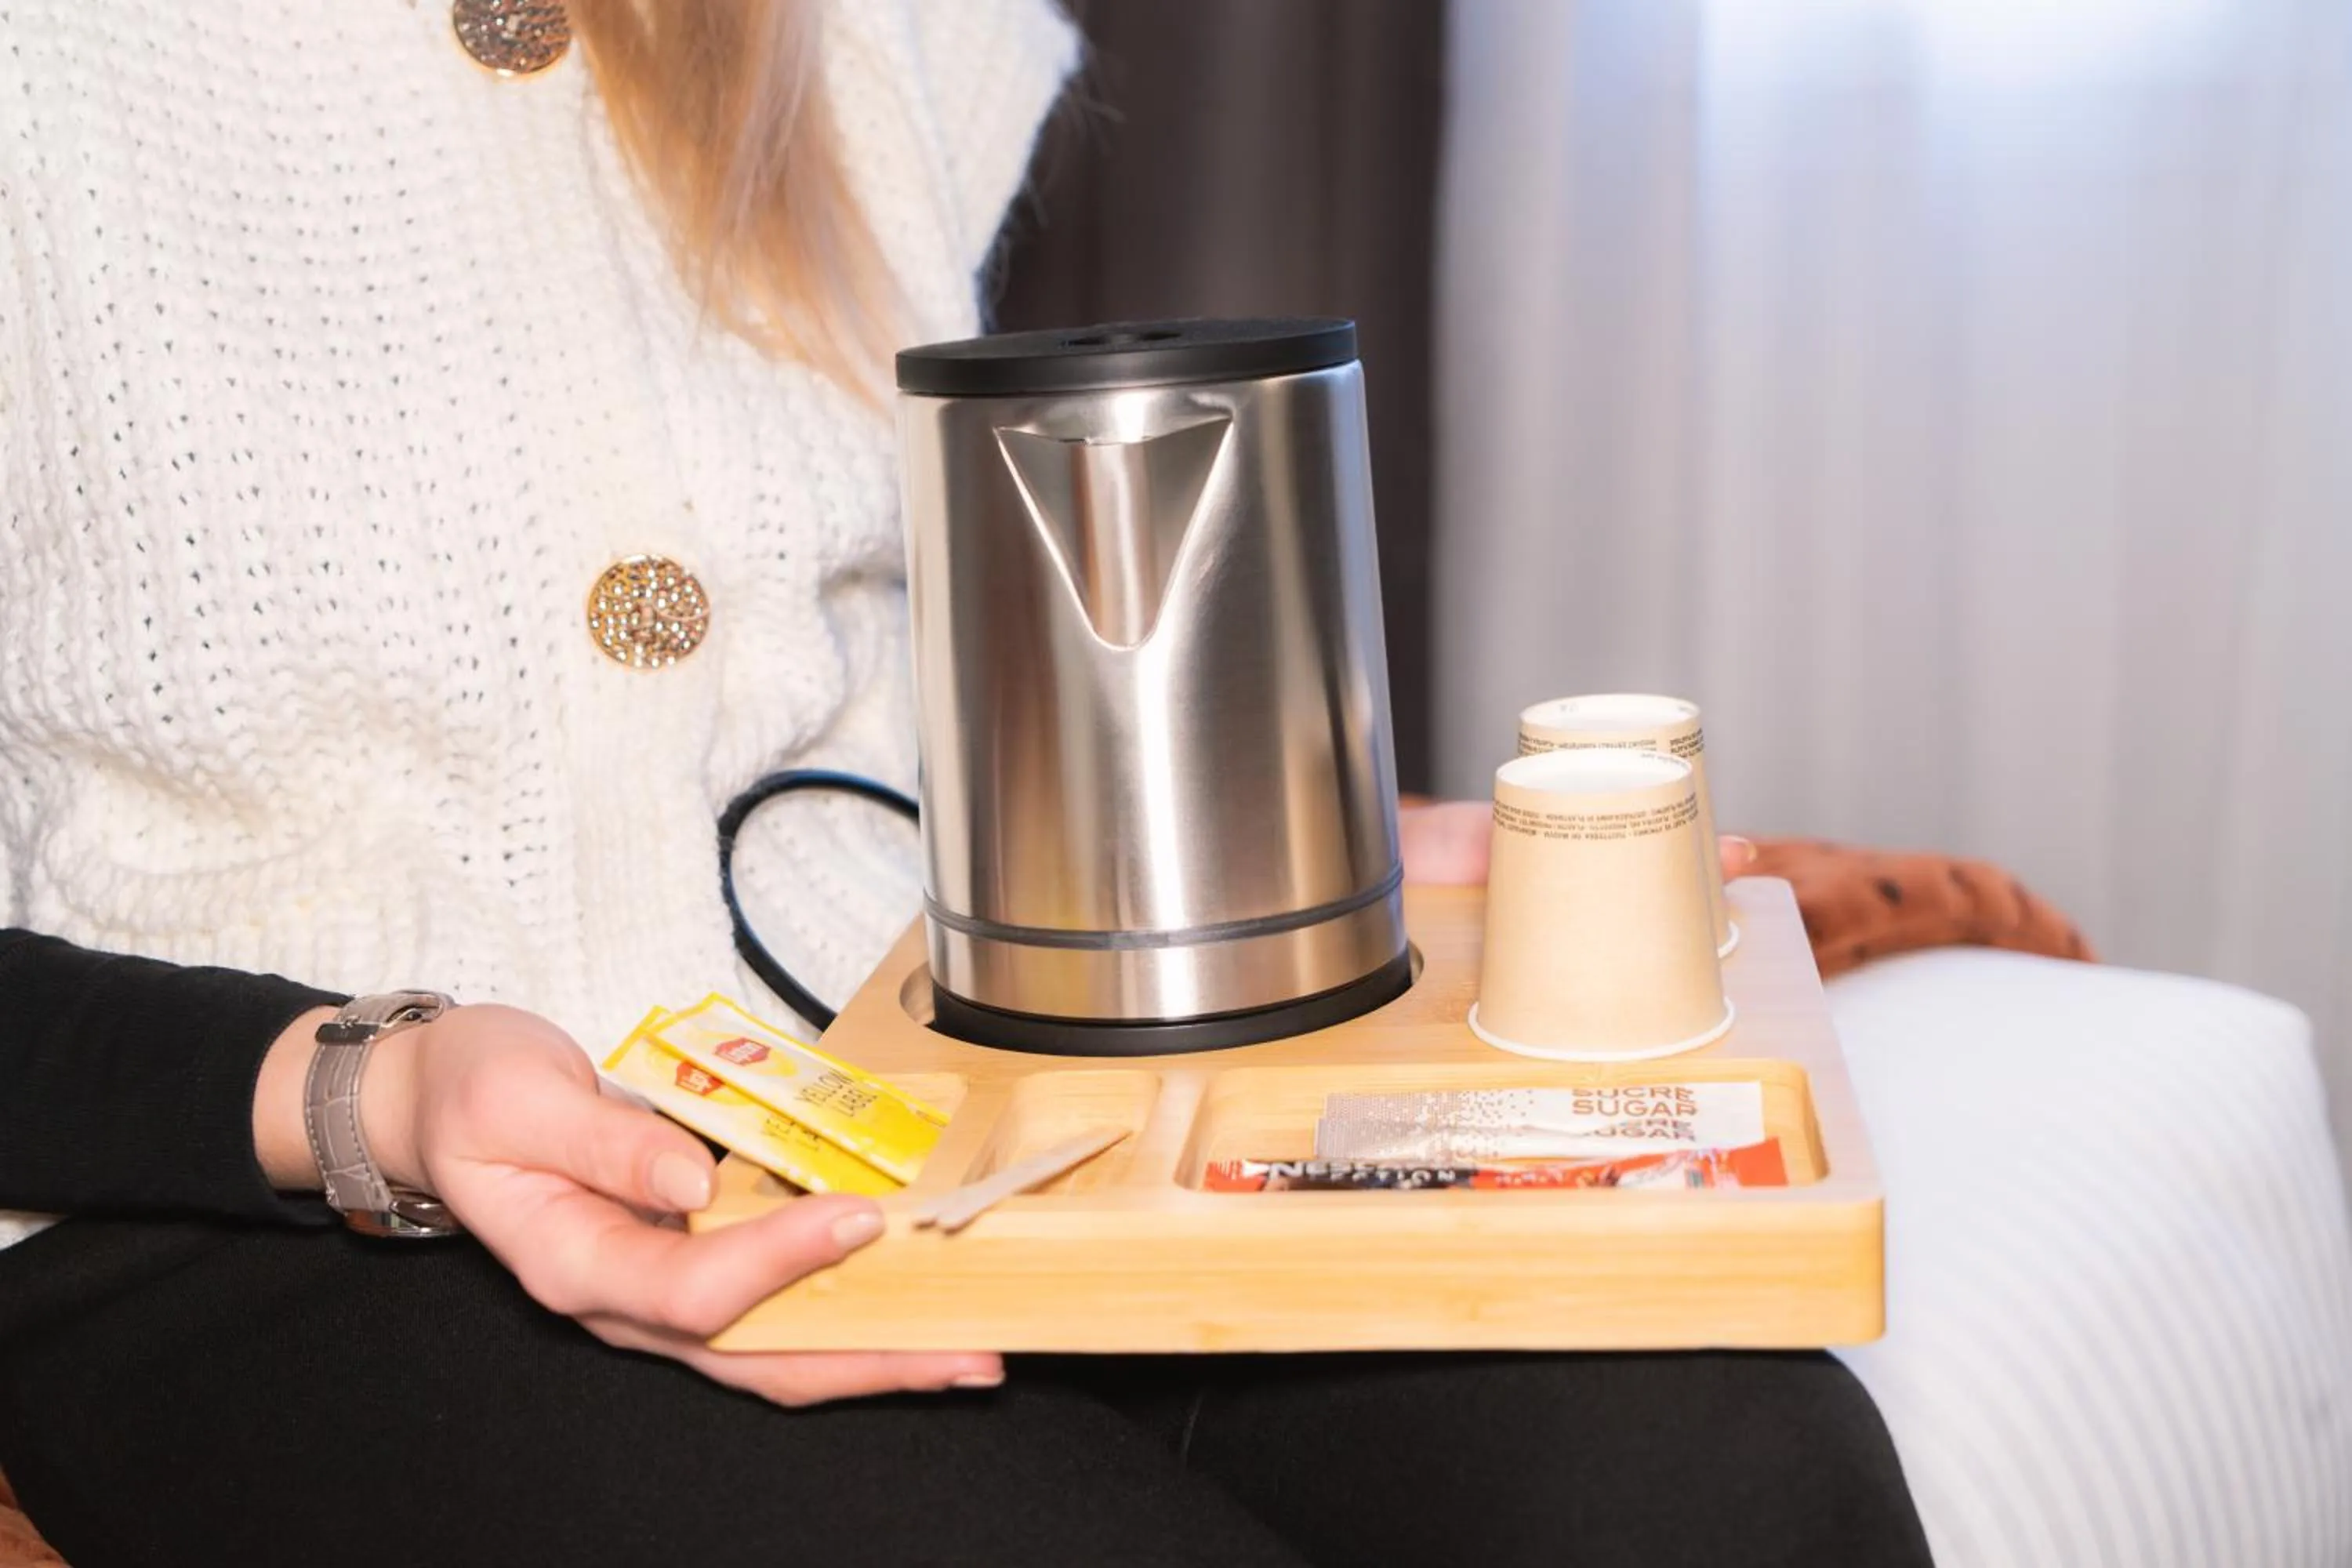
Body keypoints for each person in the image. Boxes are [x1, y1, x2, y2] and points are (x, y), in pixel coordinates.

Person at [0, 3, 1933, 1564]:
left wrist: (1234, 849)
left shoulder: (856, 27)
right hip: (240, 1179)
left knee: (1730, 1474)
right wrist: (373, 1084)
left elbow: (857, 662)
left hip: (925, 1083)